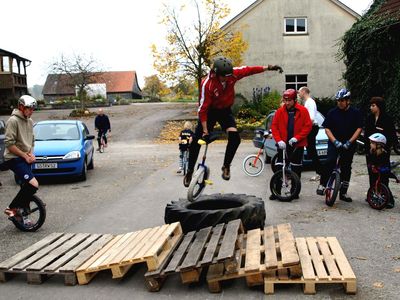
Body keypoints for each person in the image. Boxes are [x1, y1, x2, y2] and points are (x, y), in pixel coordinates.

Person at [183, 56, 283, 187]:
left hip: (225, 111)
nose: (227, 78)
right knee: (197, 140)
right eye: (224, 76)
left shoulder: (233, 74)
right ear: (217, 74)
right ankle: (190, 171)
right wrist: (206, 130)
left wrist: (268, 67)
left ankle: (226, 166)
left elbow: (249, 70)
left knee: (235, 138)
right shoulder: (207, 84)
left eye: (229, 75)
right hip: (209, 112)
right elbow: (202, 109)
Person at [316, 88, 362, 202]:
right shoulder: (332, 112)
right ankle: (322, 184)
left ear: (348, 101)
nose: (340, 103)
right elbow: (327, 128)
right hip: (334, 142)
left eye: (342, 100)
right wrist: (335, 141)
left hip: (348, 144)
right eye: (338, 101)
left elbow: (359, 129)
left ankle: (343, 193)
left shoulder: (355, 113)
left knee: (346, 167)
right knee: (329, 161)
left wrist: (350, 142)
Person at [270, 88, 312, 200]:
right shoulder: (279, 111)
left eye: (289, 100)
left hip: (297, 144)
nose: (287, 103)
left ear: (294, 100)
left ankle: (295, 191)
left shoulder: (303, 111)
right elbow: (274, 126)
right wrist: (278, 140)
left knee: (296, 168)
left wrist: (297, 138)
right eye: (285, 100)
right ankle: (276, 191)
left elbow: (307, 126)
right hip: (282, 144)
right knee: (279, 167)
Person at [2, 95, 38, 226]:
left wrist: (31, 154)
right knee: (33, 184)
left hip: (25, 157)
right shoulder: (13, 121)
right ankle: (11, 208)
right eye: (29, 108)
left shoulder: (30, 121)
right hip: (13, 158)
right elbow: (9, 144)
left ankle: (25, 217)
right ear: (21, 107)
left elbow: (31, 141)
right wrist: (25, 155)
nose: (31, 111)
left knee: (26, 187)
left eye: (33, 109)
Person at [364, 97, 397, 207]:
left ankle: (388, 198)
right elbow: (366, 135)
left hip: (383, 153)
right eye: (371, 105)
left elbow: (392, 135)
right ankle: (373, 195)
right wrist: (367, 149)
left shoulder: (387, 119)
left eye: (373, 106)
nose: (371, 108)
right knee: (372, 174)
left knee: (383, 175)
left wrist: (386, 148)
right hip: (371, 152)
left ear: (379, 107)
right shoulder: (369, 119)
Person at [298, 86, 322, 179]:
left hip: (311, 128)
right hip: (311, 128)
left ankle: (320, 172)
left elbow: (311, 119)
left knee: (311, 151)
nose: (299, 94)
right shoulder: (308, 102)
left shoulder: (310, 102)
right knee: (311, 151)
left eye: (299, 92)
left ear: (304, 92)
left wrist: (304, 129)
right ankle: (320, 172)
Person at [367, 133, 394, 208]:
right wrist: (371, 166)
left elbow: (386, 165)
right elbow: (371, 162)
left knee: (384, 185)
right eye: (370, 143)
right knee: (373, 184)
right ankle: (372, 196)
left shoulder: (384, 154)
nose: (370, 145)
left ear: (379, 145)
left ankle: (390, 201)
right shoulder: (371, 152)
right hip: (374, 171)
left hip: (383, 172)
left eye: (372, 143)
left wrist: (381, 169)